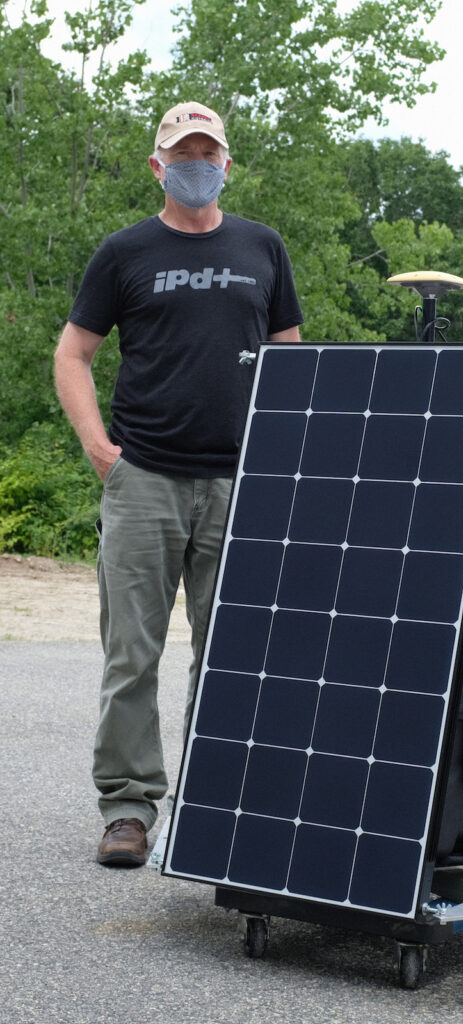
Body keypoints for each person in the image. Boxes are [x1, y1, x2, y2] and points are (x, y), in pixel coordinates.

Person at [54, 101, 303, 867]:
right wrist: (102, 452)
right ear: (158, 165)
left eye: (209, 151)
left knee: (231, 652)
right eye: (181, 152)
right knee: (132, 652)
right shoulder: (124, 252)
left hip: (239, 482)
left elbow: (294, 358)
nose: (196, 164)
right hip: (145, 482)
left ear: (227, 162)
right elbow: (73, 355)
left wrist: (287, 459)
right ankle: (128, 808)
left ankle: (216, 801)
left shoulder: (263, 247)